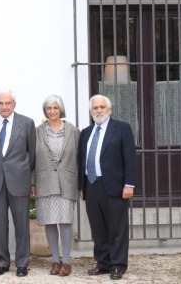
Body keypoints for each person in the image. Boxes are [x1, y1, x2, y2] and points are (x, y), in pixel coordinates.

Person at [78, 94, 136, 280]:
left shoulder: (122, 129)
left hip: (115, 187)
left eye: (102, 107)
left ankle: (118, 265)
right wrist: (81, 185)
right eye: (95, 108)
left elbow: (130, 158)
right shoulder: (86, 133)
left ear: (109, 109)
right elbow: (81, 161)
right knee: (98, 228)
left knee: (117, 228)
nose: (99, 110)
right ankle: (103, 263)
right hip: (91, 186)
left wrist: (129, 184)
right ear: (91, 111)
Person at [0, 89, 36, 277]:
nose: (4, 107)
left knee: (22, 225)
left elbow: (32, 155)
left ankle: (22, 263)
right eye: (0, 103)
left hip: (19, 181)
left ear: (14, 104)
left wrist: (29, 180)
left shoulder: (27, 124)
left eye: (7, 103)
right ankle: (1, 262)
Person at [31, 95, 80, 277]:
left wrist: (80, 184)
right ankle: (55, 260)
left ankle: (66, 261)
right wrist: (32, 183)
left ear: (61, 110)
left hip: (67, 182)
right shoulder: (37, 132)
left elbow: (78, 158)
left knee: (66, 222)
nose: (52, 111)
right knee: (49, 222)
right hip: (44, 183)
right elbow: (32, 160)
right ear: (45, 111)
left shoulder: (73, 131)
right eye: (49, 108)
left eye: (55, 108)